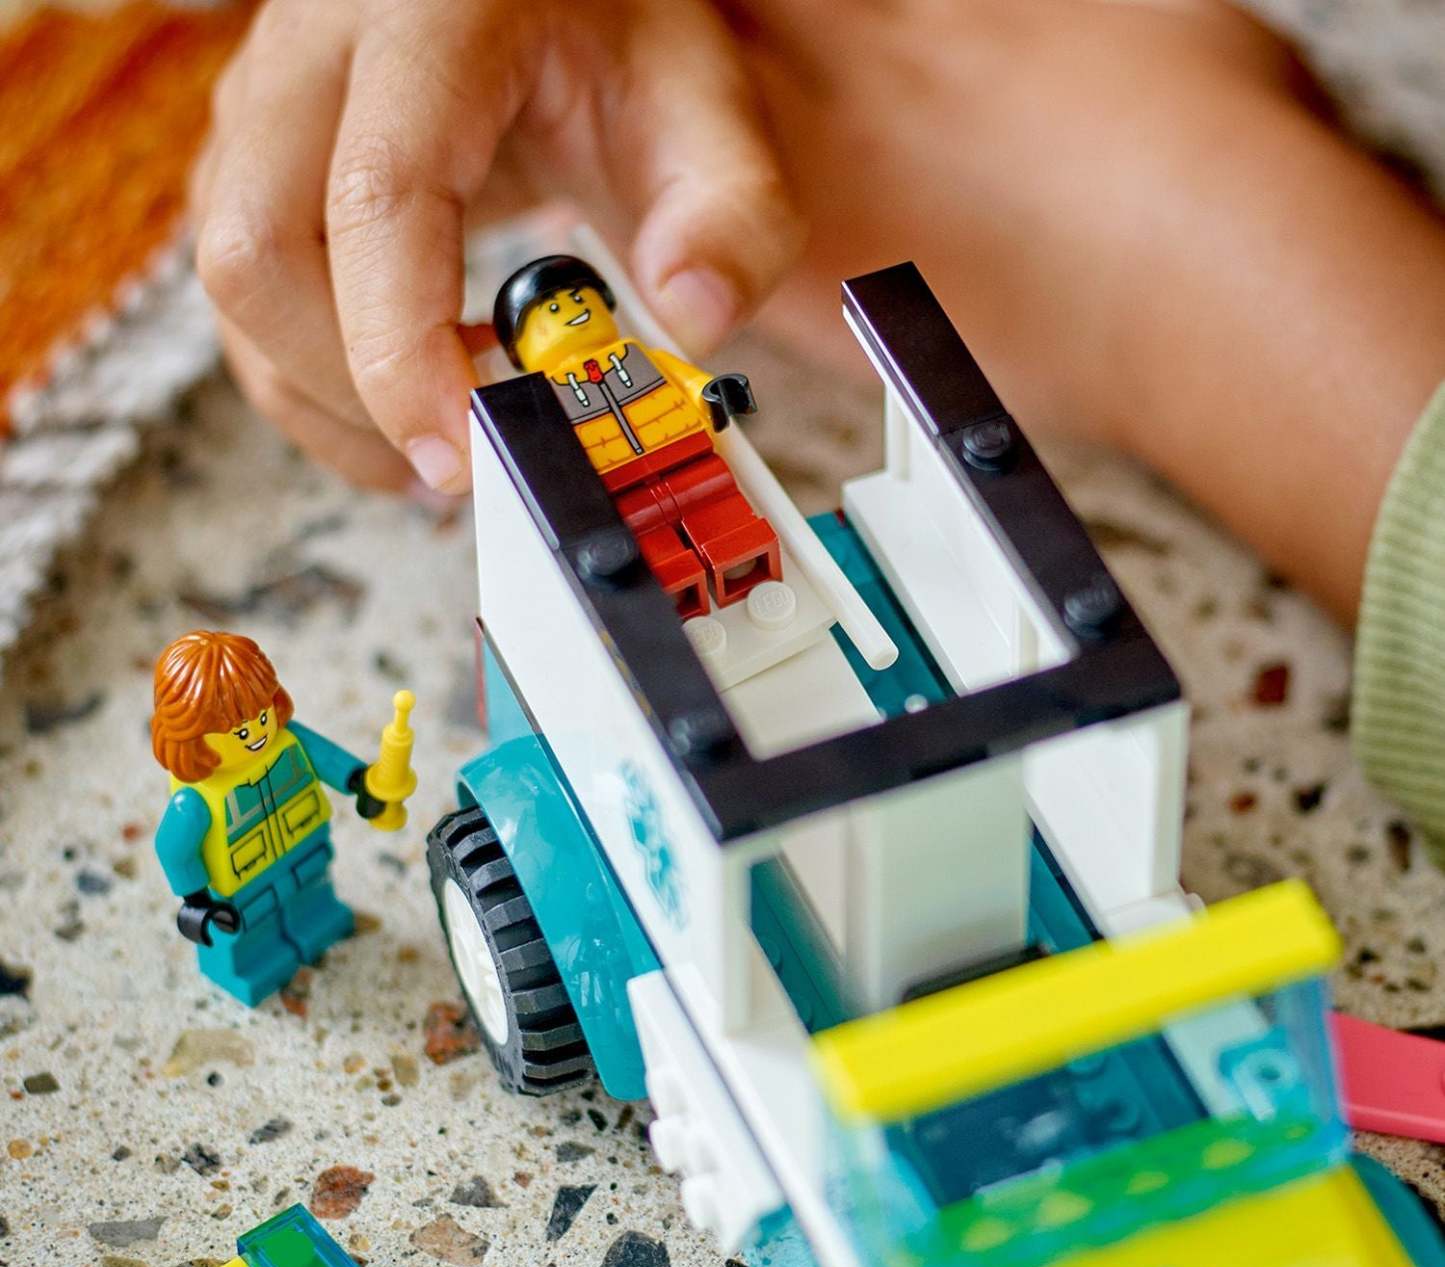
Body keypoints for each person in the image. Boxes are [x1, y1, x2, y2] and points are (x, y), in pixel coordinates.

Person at [188, 0, 1445, 855]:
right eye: (556, 316)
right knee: (682, 571)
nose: (573, 322)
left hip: (689, 471)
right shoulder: (568, 391)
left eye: (578, 306)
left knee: (733, 542)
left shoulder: (633, 359)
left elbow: (687, 385)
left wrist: (1176, 244)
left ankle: (738, 591)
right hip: (636, 503)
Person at [494, 253, 780, 616]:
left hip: (690, 460)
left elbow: (690, 382)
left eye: (580, 297)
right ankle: (677, 595)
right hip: (618, 490)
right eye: (552, 308)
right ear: (519, 349)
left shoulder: (642, 356)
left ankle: (742, 557)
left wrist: (713, 392)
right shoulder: (544, 400)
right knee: (653, 548)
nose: (573, 311)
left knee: (721, 514)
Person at [151, 630, 401, 1005]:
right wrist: (196, 898)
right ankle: (246, 967)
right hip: (242, 877)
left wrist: (360, 782)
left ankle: (317, 922)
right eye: (239, 731)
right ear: (192, 738)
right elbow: (173, 848)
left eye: (262, 714)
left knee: (310, 886)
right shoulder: (196, 799)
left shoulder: (289, 741)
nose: (256, 733)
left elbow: (327, 758)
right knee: (249, 921)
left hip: (303, 843)